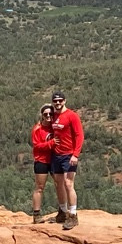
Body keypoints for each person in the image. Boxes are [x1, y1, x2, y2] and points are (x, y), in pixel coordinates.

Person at [48, 90, 83, 228]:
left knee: (69, 184)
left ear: (65, 101)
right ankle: (62, 212)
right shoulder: (53, 116)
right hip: (56, 155)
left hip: (69, 156)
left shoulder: (72, 116)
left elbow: (79, 135)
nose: (57, 103)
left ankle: (73, 215)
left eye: (60, 100)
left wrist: (76, 154)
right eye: (55, 101)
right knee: (58, 183)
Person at [29, 104, 57, 220]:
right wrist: (51, 143)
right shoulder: (37, 129)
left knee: (60, 185)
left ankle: (63, 211)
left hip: (55, 159)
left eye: (51, 114)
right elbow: (37, 146)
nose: (49, 116)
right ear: (42, 115)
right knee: (39, 187)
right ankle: (36, 215)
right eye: (46, 114)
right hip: (41, 160)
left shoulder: (55, 127)